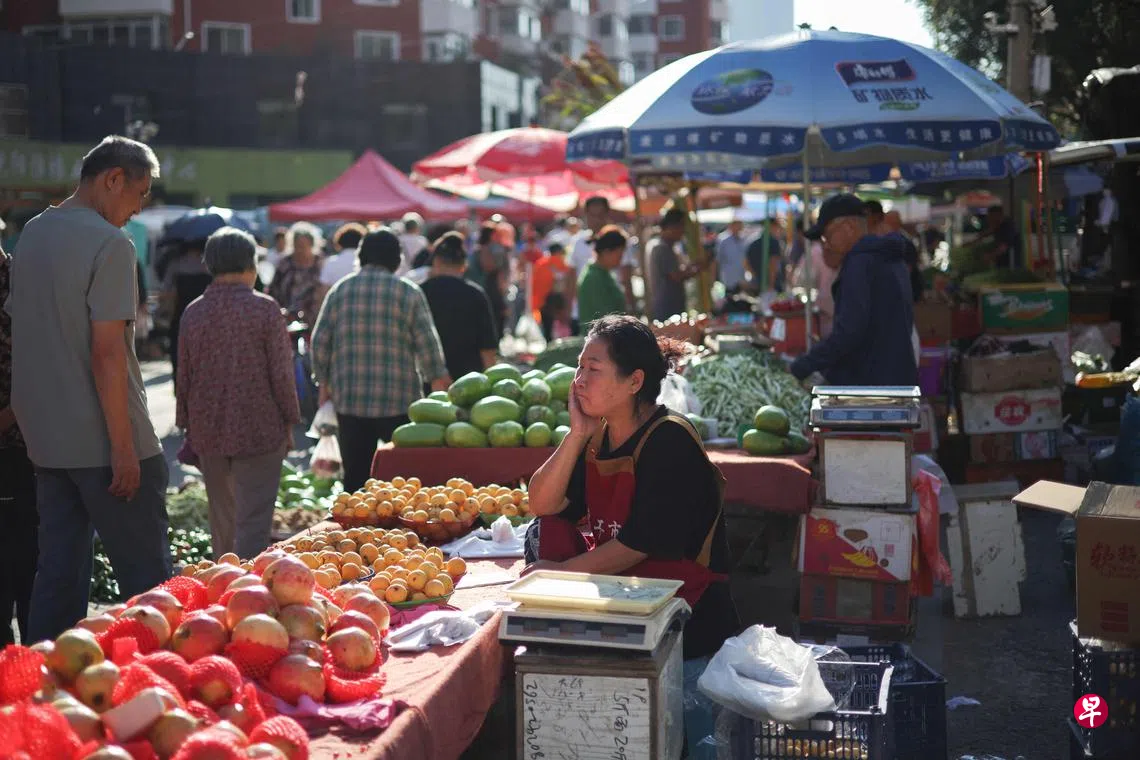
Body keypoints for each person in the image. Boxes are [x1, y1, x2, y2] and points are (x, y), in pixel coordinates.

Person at [524, 315, 739, 756]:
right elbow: (543, 505)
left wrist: (561, 575)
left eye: (593, 369)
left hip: (688, 629)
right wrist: (577, 434)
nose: (578, 380)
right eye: (579, 367)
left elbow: (637, 545)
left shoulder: (670, 440)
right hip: (630, 614)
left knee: (687, 744)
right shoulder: (598, 437)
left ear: (634, 380)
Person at [6, 135, 172, 640]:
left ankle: (41, 690)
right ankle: (166, 690)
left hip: (47, 443)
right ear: (112, 178)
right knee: (150, 587)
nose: (138, 208)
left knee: (57, 578)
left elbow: (23, 334)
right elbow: (106, 354)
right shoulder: (110, 243)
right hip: (107, 440)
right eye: (139, 193)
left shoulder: (32, 233)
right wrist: (124, 449)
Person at [176, 228, 299, 560]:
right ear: (250, 264)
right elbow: (282, 374)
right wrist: (291, 421)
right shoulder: (265, 309)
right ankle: (247, 595)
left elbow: (183, 375)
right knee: (253, 524)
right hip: (260, 429)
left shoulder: (194, 311)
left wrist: (185, 423)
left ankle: (222, 593)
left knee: (223, 524)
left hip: (208, 430)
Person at [311, 228, 450, 491]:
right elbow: (428, 346)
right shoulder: (408, 292)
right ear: (396, 259)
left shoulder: (340, 291)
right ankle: (400, 529)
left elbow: (319, 344)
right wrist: (437, 383)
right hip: (399, 402)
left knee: (355, 477)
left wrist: (324, 384)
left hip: (349, 400)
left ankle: (355, 529)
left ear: (361, 257)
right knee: (403, 479)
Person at [789, 194, 918, 386]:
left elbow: (849, 332)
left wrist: (802, 366)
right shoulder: (889, 257)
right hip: (896, 379)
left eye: (827, 236)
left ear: (848, 227)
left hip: (870, 386)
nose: (826, 244)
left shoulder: (860, 263)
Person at [0, 242, 36, 645]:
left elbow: (42, 367)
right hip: (21, 441)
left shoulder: (20, 285)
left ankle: (30, 668)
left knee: (24, 561)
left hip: (19, 445)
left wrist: (9, 416)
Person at [420, 231, 499, 380]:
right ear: (464, 266)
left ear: (436, 262)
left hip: (429, 382)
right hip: (469, 384)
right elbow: (488, 349)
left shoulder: (420, 292)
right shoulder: (476, 294)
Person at [160, 239, 211, 390]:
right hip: (206, 319)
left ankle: (180, 390)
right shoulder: (209, 265)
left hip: (181, 317)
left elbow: (167, 292)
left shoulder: (176, 264)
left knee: (179, 358)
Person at [648, 209, 703, 322]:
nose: (683, 231)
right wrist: (698, 269)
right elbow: (676, 276)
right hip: (667, 308)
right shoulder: (662, 248)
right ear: (671, 227)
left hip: (668, 307)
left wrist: (693, 265)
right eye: (681, 226)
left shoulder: (664, 246)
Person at [268, 221, 324, 322]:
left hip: (314, 318)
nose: (299, 250)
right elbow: (273, 290)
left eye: (303, 246)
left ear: (312, 245)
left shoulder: (321, 264)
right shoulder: (284, 263)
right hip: (286, 317)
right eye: (296, 246)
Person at [577, 225, 630, 327]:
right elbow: (605, 319)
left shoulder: (604, 273)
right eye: (619, 254)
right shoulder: (594, 277)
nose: (621, 259)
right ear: (606, 252)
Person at [467, 222, 508, 338]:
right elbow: (488, 266)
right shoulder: (485, 249)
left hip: (484, 288)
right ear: (491, 235)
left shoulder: (477, 250)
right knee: (494, 317)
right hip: (489, 288)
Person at [317, 222, 365, 309]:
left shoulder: (331, 262)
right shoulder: (366, 264)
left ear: (339, 242)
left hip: (337, 310)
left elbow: (323, 293)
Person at [530, 241, 574, 328]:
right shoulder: (562, 263)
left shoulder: (540, 263)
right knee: (561, 329)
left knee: (547, 329)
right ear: (559, 252)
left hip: (542, 302)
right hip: (557, 302)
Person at [745, 219, 786, 293]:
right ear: (771, 226)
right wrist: (771, 285)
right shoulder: (773, 242)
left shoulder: (753, 242)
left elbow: (745, 263)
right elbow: (773, 264)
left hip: (757, 285)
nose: (778, 230)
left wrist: (756, 276)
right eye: (777, 227)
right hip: (772, 286)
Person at [715, 218, 750, 293]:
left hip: (741, 280)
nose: (740, 227)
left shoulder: (744, 239)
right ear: (731, 225)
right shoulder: (722, 240)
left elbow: (745, 260)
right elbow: (717, 260)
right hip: (728, 280)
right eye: (737, 224)